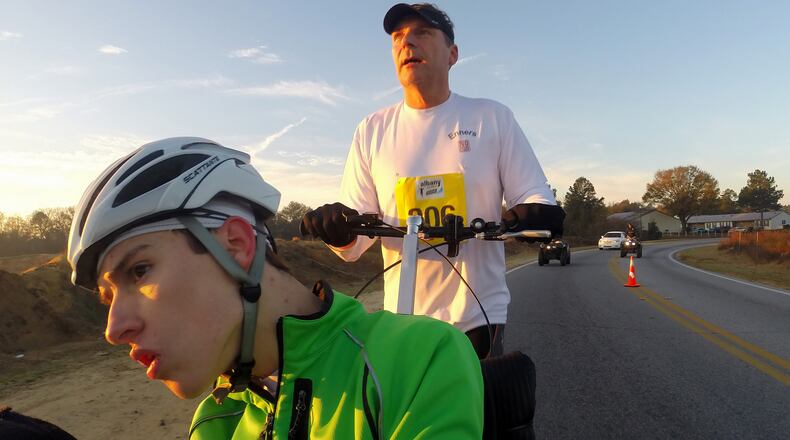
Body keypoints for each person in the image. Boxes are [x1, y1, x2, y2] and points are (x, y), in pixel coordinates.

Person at [67, 137, 483, 439]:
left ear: (235, 246)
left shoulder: (418, 360)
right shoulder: (216, 422)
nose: (113, 328)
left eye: (139, 271)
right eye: (107, 299)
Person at [301, 3, 565, 359]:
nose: (407, 43)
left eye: (422, 33)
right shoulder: (372, 131)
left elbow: (533, 193)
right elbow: (354, 244)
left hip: (478, 316)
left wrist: (535, 213)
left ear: (453, 53)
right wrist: (338, 228)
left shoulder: (492, 118)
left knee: (479, 413)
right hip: (402, 320)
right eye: (398, 37)